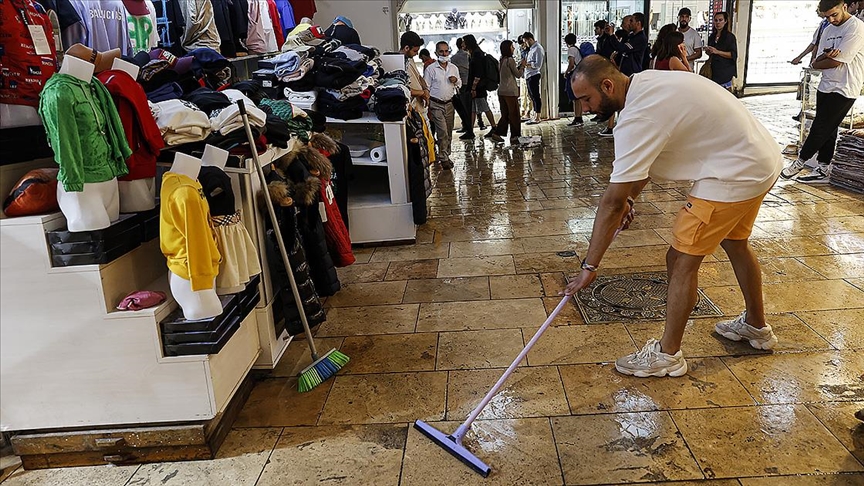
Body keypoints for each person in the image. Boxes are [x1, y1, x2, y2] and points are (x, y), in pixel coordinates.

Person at [565, 55, 783, 378]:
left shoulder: (637, 117)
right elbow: (637, 174)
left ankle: (668, 355)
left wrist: (589, 267)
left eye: (586, 99)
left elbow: (611, 202)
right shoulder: (646, 85)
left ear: (607, 85)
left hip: (734, 171)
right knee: (736, 244)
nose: (584, 108)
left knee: (681, 258)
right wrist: (630, 199)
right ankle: (756, 326)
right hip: (759, 157)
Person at [782, 0, 864, 184]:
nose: (831, 19)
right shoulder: (828, 29)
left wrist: (823, 60)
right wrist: (823, 59)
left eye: (834, 14)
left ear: (844, 6)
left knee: (820, 126)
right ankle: (823, 167)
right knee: (829, 128)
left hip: (846, 86)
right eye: (827, 16)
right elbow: (817, 60)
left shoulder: (856, 28)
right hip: (826, 85)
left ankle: (800, 162)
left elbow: (837, 61)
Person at [601, 13, 647, 137]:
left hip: (632, 74)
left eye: (631, 21)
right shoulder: (631, 36)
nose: (628, 24)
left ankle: (631, 129)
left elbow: (622, 48)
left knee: (629, 102)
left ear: (638, 23)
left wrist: (612, 36)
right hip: (624, 72)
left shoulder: (640, 38)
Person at [424, 41, 461, 169]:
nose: (444, 54)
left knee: (449, 131)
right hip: (436, 104)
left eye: (446, 51)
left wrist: (455, 81)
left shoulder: (453, 68)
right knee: (442, 131)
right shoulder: (431, 69)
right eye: (441, 51)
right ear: (436, 53)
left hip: (450, 104)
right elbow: (426, 87)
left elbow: (459, 84)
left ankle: (446, 154)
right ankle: (443, 157)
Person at [460, 34, 496, 140]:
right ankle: (470, 130)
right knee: (473, 109)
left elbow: (478, 73)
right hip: (478, 87)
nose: (462, 44)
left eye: (463, 42)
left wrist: (474, 88)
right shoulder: (474, 54)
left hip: (478, 88)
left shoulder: (476, 55)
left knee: (484, 107)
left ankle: (494, 127)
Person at [493, 39, 524, 144]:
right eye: (512, 46)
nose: (513, 48)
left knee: (505, 114)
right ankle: (514, 136)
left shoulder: (501, 60)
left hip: (501, 90)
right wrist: (523, 66)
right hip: (510, 91)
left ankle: (497, 133)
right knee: (514, 113)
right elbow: (518, 74)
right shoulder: (510, 60)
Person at [705, 11, 738, 90]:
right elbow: (711, 53)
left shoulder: (730, 37)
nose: (718, 23)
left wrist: (718, 52)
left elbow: (733, 55)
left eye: (720, 20)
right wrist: (709, 51)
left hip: (725, 71)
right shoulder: (712, 36)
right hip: (714, 71)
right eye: (716, 20)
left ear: (725, 21)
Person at [400, 31, 429, 112]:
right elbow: (402, 89)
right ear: (406, 48)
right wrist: (422, 93)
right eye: (415, 51)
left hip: (420, 106)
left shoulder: (410, 59)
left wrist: (425, 89)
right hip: (411, 108)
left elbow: (419, 77)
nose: (417, 54)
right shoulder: (397, 63)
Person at [520, 32, 545, 124]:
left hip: (534, 75)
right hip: (529, 74)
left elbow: (538, 64)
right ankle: (534, 115)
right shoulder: (531, 49)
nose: (525, 44)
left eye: (526, 41)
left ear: (530, 39)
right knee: (531, 96)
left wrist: (527, 64)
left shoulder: (538, 48)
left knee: (535, 96)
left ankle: (538, 116)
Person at [451, 37, 472, 133]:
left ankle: (467, 127)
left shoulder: (454, 58)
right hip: (469, 82)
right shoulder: (468, 55)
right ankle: (468, 127)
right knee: (468, 107)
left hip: (461, 83)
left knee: (463, 107)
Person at [564, 33, 584, 126]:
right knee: (577, 98)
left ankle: (577, 118)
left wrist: (566, 72)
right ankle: (579, 118)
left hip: (574, 75)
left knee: (574, 97)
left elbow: (571, 64)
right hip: (579, 74)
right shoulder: (576, 49)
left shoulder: (571, 50)